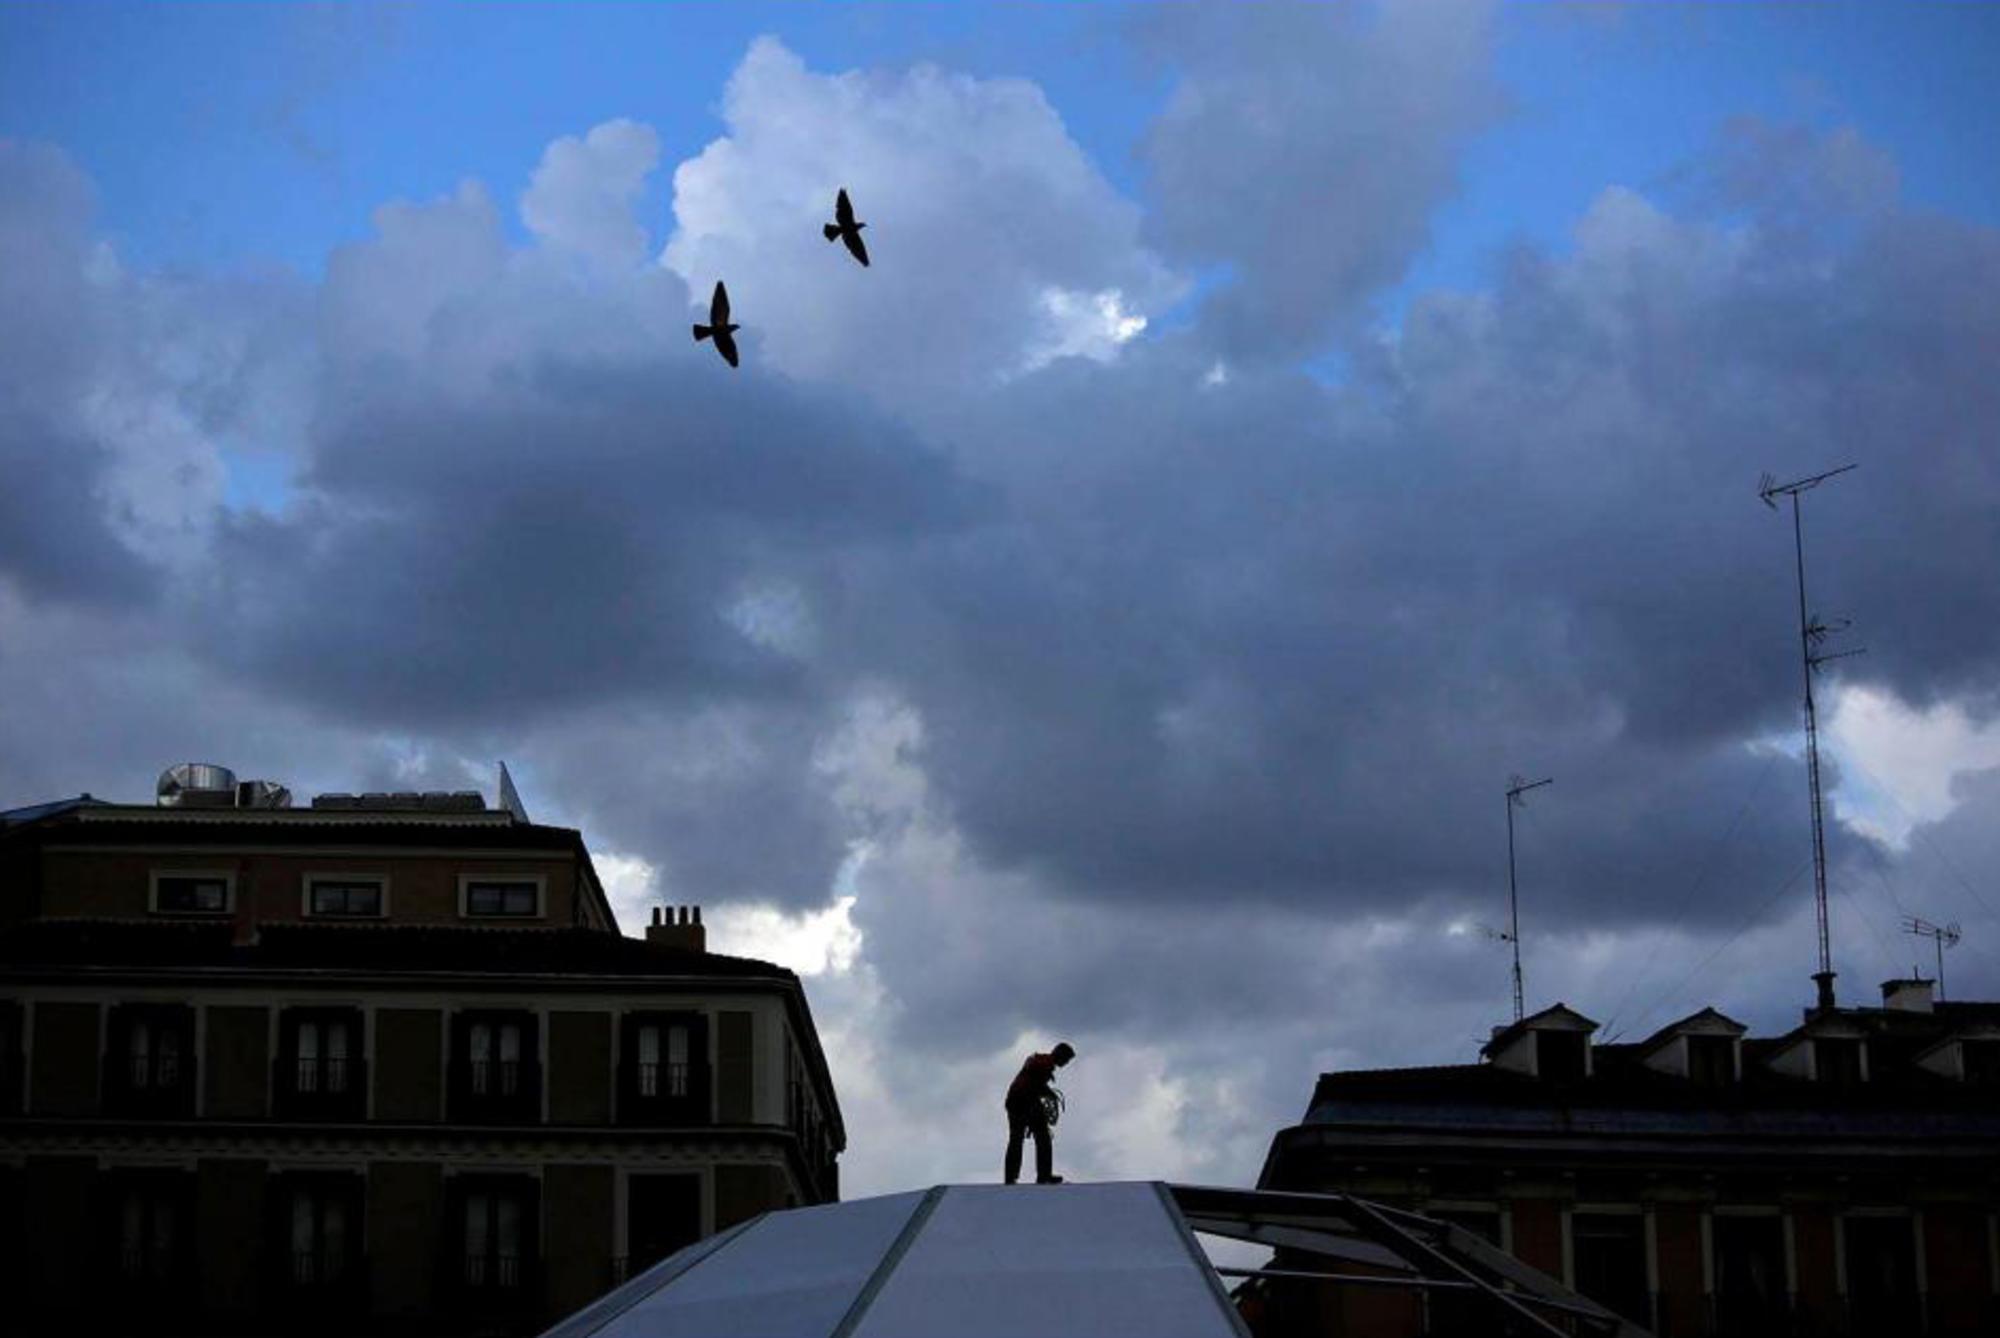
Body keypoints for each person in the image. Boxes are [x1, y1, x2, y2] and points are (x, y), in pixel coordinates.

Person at [1003, 1041, 1075, 1185]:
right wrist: (1048, 1093)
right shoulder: (1045, 1063)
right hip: (1024, 1100)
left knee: (1016, 1139)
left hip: (1015, 1100)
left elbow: (1032, 1080)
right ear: (1060, 1054)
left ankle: (1011, 1177)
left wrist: (1045, 1092)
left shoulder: (1041, 1060)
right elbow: (1035, 1083)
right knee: (1042, 1138)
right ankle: (1044, 1175)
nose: (1066, 1063)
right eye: (1066, 1060)